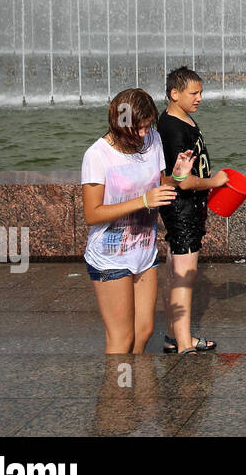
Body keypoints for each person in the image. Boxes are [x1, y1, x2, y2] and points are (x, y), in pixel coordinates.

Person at [80, 88, 191, 353]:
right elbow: (91, 213)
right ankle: (115, 393)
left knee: (144, 332)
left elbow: (161, 186)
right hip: (110, 256)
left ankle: (138, 391)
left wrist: (177, 176)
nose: (143, 134)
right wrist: (142, 201)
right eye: (137, 129)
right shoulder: (97, 155)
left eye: (146, 126)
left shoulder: (153, 139)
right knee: (122, 338)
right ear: (119, 124)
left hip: (144, 252)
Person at [156, 67, 225, 354]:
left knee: (176, 271)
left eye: (200, 92)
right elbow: (182, 181)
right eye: (193, 93)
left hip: (187, 208)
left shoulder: (181, 118)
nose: (199, 98)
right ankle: (184, 344)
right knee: (185, 274)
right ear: (175, 94)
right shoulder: (172, 128)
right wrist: (214, 181)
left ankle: (175, 336)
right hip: (181, 208)